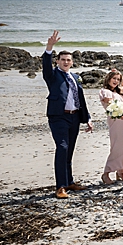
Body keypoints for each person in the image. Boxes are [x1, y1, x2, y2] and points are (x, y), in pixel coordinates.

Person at [42, 30, 92, 199]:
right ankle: (60, 187)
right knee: (62, 147)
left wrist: (87, 119)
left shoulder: (75, 77)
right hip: (58, 117)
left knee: (69, 150)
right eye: (62, 60)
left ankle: (69, 181)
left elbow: (80, 99)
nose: (65, 62)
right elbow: (46, 66)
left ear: (72, 62)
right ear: (58, 61)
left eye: (68, 60)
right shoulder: (53, 75)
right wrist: (49, 47)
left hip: (74, 117)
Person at [99, 69, 123, 184]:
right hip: (117, 121)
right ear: (108, 79)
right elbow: (110, 106)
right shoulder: (106, 92)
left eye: (118, 79)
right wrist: (120, 113)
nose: (116, 81)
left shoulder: (118, 92)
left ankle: (120, 171)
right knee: (117, 147)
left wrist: (120, 74)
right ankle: (106, 173)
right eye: (114, 78)